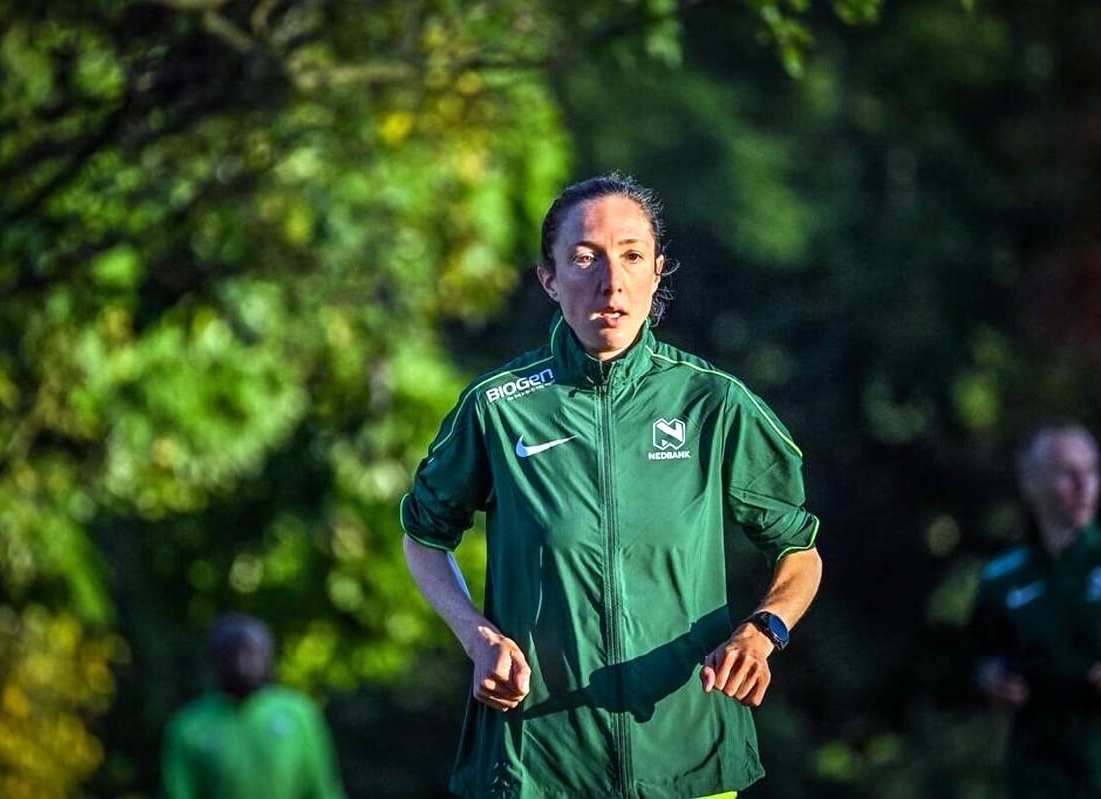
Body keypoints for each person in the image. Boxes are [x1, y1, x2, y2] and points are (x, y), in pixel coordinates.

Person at [400, 174, 823, 798]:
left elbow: (800, 551)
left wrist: (763, 632)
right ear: (549, 278)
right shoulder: (497, 408)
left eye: (630, 256)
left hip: (688, 757)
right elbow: (423, 536)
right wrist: (476, 635)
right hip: (538, 765)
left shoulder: (714, 404)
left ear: (657, 272)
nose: (611, 281)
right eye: (584, 258)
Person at [972, 422, 1101, 797]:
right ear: (1031, 484)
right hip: (1038, 774)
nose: (1083, 484)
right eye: (1066, 472)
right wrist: (989, 677)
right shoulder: (1003, 578)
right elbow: (976, 660)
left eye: (1091, 470)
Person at [161, 614, 346, 799]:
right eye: (233, 654)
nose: (243, 664)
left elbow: (322, 788)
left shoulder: (299, 714)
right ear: (216, 660)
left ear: (269, 656)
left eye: (252, 652)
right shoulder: (190, 726)